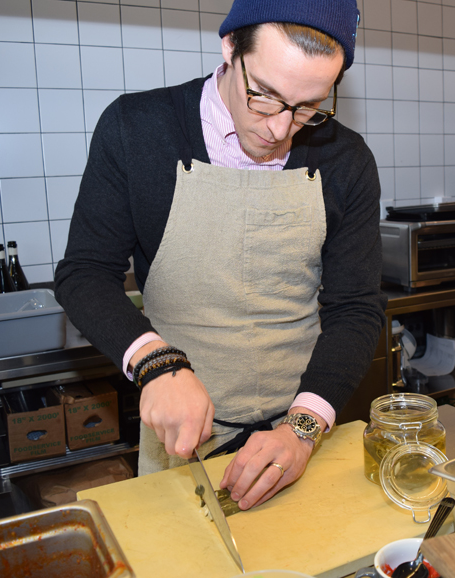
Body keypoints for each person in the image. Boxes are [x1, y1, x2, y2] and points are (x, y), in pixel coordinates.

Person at [54, 0, 386, 511]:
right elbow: (84, 274)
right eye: (264, 96)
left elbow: (356, 309)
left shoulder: (347, 159)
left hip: (304, 433)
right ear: (230, 47)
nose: (280, 128)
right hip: (180, 445)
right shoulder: (137, 129)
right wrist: (155, 364)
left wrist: (301, 430)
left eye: (309, 107)